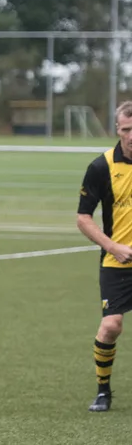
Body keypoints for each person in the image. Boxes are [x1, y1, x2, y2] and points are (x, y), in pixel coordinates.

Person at [77, 100, 132, 412]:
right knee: (111, 326)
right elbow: (83, 218)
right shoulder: (102, 167)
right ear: (117, 129)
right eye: (127, 129)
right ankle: (103, 391)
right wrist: (113, 247)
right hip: (117, 262)